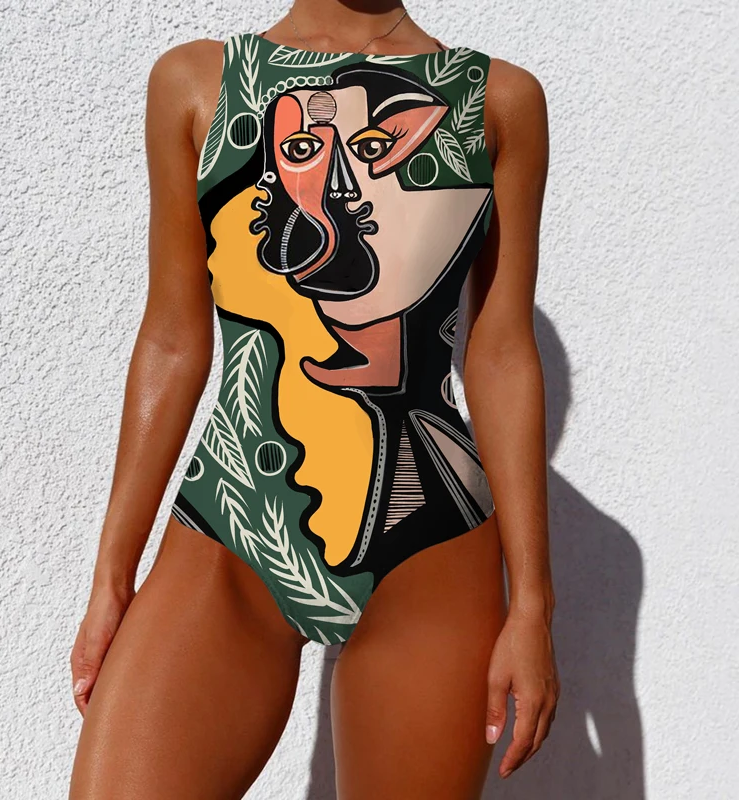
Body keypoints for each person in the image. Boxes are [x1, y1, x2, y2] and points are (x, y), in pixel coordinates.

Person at [68, 1, 560, 797]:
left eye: (373, 150)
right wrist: (111, 578)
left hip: (430, 553)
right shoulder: (198, 82)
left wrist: (533, 605)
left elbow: (500, 352)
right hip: (229, 528)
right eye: (303, 149)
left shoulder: (496, 100)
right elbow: (172, 337)